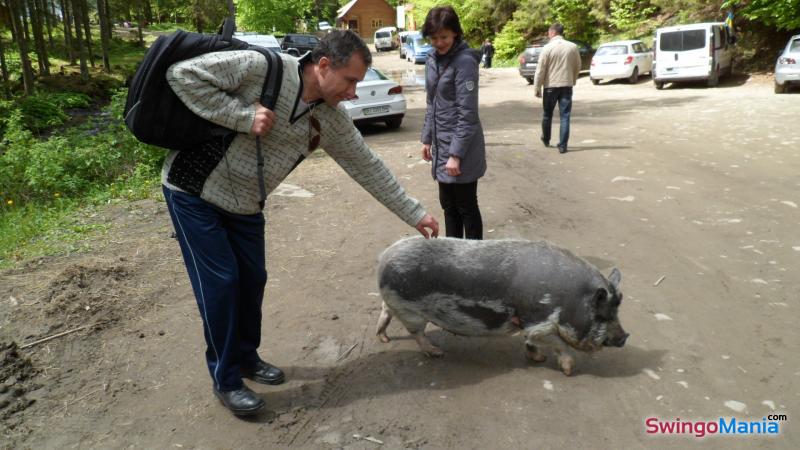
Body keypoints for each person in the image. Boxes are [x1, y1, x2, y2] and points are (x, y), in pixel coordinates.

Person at [163, 30, 439, 416]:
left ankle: (246, 356)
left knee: (253, 280)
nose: (353, 92)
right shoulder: (261, 67)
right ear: (324, 66)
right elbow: (181, 75)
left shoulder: (328, 117)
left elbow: (367, 165)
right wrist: (241, 116)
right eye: (350, 81)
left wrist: (415, 213)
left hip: (246, 204)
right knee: (222, 284)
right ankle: (226, 379)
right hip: (194, 192)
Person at [421, 6, 486, 240]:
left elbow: (467, 113)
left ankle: (475, 259)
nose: (439, 42)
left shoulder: (465, 62)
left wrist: (455, 154)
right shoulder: (431, 59)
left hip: (462, 147)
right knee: (448, 204)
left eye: (444, 37)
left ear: (456, 33)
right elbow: (431, 102)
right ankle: (453, 257)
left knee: (466, 206)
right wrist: (427, 138)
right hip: (441, 143)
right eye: (434, 37)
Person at [533, 23, 581, 154]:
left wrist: (537, 87)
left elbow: (540, 70)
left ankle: (546, 139)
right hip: (566, 85)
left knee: (547, 115)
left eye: (549, 32)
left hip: (550, 86)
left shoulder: (547, 48)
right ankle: (563, 145)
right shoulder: (573, 47)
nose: (548, 35)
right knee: (565, 116)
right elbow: (578, 66)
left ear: (553, 32)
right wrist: (573, 80)